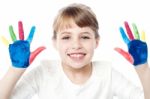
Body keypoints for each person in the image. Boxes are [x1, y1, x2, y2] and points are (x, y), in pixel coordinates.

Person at [0, 3, 150, 99]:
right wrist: (16, 68)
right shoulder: (44, 72)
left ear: (96, 42)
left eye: (84, 37)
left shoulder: (107, 73)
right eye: (66, 37)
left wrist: (142, 68)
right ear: (55, 43)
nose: (76, 44)